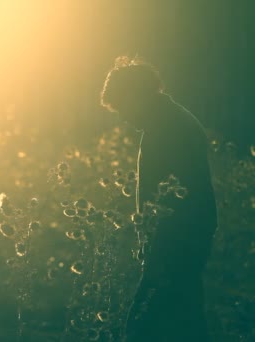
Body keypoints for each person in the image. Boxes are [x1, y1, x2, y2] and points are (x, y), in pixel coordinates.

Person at [100, 56, 218, 342]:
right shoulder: (167, 122)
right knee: (182, 317)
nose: (123, 117)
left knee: (147, 321)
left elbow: (173, 200)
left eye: (122, 107)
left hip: (176, 241)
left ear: (134, 95)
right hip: (178, 240)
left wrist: (157, 248)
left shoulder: (169, 129)